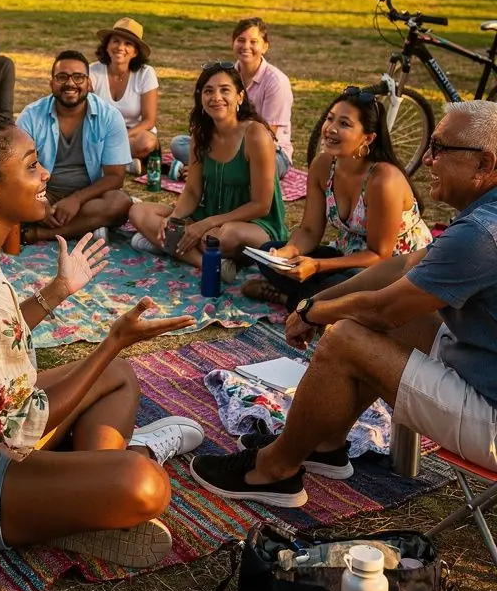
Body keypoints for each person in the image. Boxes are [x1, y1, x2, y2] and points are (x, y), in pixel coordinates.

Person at [0, 114, 203, 567]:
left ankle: (79, 498)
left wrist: (56, 292)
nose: (45, 175)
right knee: (145, 484)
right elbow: (19, 428)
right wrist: (113, 341)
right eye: (31, 166)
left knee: (117, 377)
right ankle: (95, 494)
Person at [190, 100, 497, 506]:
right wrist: (319, 297)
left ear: (485, 163)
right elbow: (403, 263)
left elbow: (381, 307)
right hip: (482, 365)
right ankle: (327, 444)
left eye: (439, 148)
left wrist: (312, 312)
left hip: (490, 415)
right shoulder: (485, 215)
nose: (426, 158)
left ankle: (274, 471)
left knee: (347, 334)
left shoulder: (480, 232)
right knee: (364, 317)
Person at [242, 87, 431, 306]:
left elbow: (379, 256)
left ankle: (294, 300)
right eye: (330, 119)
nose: (330, 129)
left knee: (333, 288)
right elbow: (309, 231)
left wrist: (318, 265)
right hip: (346, 256)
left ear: (368, 138)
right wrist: (286, 253)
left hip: (394, 270)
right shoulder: (323, 165)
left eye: (344, 124)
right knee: (268, 254)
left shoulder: (383, 180)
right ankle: (312, 303)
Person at [129, 63, 288, 270]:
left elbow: (261, 205)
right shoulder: (201, 133)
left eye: (225, 90)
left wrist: (207, 224)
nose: (216, 97)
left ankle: (169, 245)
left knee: (223, 236)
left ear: (240, 97)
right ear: (200, 97)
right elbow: (193, 191)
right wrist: (174, 218)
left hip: (254, 224)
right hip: (207, 217)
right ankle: (209, 264)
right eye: (208, 91)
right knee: (138, 211)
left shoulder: (255, 135)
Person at [16, 51, 131, 242]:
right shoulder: (31, 115)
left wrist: (76, 199)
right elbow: (19, 169)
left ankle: (38, 233)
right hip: (43, 192)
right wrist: (41, 203)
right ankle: (84, 226)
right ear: (51, 83)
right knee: (4, 201)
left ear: (89, 83)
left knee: (119, 203)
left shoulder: (110, 116)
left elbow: (115, 177)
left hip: (89, 196)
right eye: (62, 77)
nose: (70, 83)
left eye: (78, 77)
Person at [171, 17, 293, 179]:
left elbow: (269, 134)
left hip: (269, 150)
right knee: (179, 144)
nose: (246, 46)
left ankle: (204, 169)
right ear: (233, 43)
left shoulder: (276, 82)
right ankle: (214, 168)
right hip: (226, 142)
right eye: (240, 40)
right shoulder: (228, 75)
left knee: (263, 169)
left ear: (265, 47)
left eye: (253, 42)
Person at [89, 17, 159, 169]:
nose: (121, 47)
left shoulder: (146, 73)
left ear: (135, 52)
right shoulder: (92, 71)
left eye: (128, 44)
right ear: (107, 46)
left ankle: (107, 161)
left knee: (147, 142)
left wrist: (120, 137)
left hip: (133, 134)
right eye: (115, 41)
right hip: (101, 134)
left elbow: (149, 121)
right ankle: (124, 163)